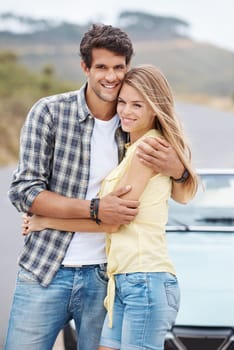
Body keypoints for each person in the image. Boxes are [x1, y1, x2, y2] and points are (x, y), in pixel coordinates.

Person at [6, 23, 193, 350]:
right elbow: (23, 191)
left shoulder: (134, 127)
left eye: (118, 67)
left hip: (106, 279)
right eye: (102, 67)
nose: (111, 76)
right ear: (85, 68)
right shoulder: (51, 112)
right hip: (46, 268)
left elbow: (178, 190)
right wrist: (92, 208)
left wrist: (178, 169)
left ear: (127, 68)